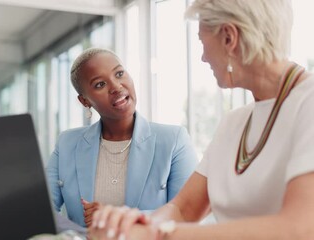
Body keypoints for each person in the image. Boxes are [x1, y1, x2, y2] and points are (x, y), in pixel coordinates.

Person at [89, 0, 314, 239]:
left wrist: (157, 234)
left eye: (202, 42)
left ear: (229, 37)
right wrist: (132, 226)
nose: (204, 57)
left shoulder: (307, 102)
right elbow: (183, 209)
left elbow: (299, 228)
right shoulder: (234, 123)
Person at [45, 48, 198, 228]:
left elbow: (187, 215)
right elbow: (41, 212)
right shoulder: (67, 144)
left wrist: (116, 218)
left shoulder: (173, 140)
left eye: (119, 73)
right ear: (84, 101)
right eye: (100, 84)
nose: (116, 87)